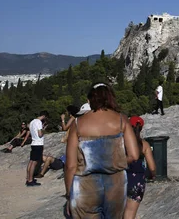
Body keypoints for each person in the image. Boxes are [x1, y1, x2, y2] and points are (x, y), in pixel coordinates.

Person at [65, 83, 139, 218]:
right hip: (116, 184)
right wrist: (113, 162)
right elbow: (134, 155)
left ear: (91, 99)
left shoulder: (78, 123)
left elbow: (71, 165)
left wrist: (69, 194)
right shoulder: (122, 120)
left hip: (85, 186)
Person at [124, 116, 157, 219]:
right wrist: (153, 175)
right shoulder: (144, 145)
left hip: (121, 178)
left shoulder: (122, 142)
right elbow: (152, 167)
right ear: (141, 128)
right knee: (130, 213)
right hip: (137, 180)